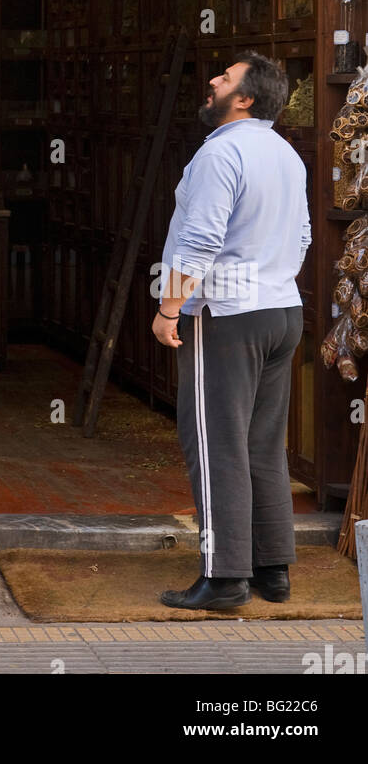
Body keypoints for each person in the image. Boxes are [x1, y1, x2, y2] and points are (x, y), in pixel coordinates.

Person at [152, 53, 310, 610]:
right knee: (263, 447)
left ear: (243, 98)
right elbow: (304, 238)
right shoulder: (286, 154)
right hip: (281, 310)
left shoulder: (220, 153)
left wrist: (170, 308)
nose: (213, 80)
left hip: (225, 314)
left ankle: (224, 579)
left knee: (216, 445)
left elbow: (199, 241)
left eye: (224, 78)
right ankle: (273, 572)